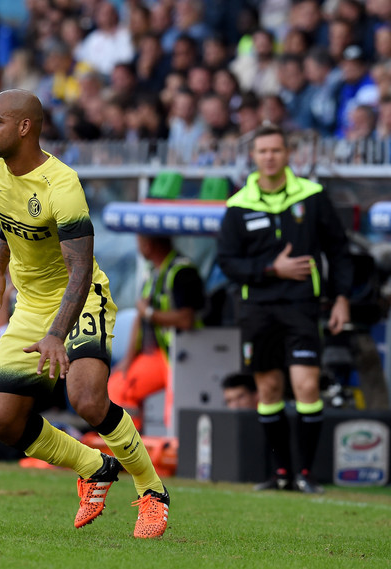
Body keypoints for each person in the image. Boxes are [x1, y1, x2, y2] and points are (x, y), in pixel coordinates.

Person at [0, 89, 169, 538]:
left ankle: (152, 492)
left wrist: (56, 334)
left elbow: (80, 270)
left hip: (81, 297)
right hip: (31, 304)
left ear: (24, 127)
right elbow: (8, 225)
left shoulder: (62, 185)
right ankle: (94, 467)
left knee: (87, 399)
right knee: (1, 420)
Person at [217, 123, 352, 494]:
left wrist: (341, 298)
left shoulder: (312, 196)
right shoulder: (238, 205)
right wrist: (270, 269)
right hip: (257, 309)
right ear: (253, 156)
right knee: (269, 388)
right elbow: (227, 262)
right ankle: (280, 474)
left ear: (288, 154)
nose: (269, 157)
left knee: (306, 385)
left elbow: (339, 251)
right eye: (263, 151)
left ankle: (306, 474)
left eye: (276, 150)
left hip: (301, 305)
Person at [108, 235, 206, 431]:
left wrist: (150, 313)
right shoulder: (152, 272)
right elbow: (140, 317)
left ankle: (171, 448)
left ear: (148, 244)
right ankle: (129, 444)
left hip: (187, 356)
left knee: (173, 412)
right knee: (118, 386)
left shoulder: (183, 272)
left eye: (139, 242)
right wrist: (128, 359)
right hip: (160, 354)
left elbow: (186, 320)